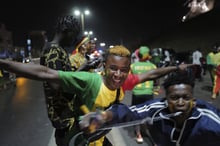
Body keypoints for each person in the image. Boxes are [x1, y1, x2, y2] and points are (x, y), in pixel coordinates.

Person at [0, 45, 192, 146]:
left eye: (123, 70)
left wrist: (177, 67)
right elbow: (45, 73)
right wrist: (5, 64)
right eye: (113, 69)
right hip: (81, 140)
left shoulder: (125, 81)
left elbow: (150, 74)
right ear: (104, 66)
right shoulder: (89, 81)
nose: (118, 75)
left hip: (98, 137)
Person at [80, 68, 220, 146]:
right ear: (166, 99)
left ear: (194, 101)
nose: (180, 103)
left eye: (186, 98)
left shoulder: (211, 120)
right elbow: (126, 112)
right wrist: (102, 116)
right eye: (174, 98)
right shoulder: (156, 109)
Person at [39, 15, 81, 146]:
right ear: (65, 30)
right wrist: (82, 82)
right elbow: (56, 84)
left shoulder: (58, 49)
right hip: (62, 115)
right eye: (73, 35)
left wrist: (83, 69)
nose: (73, 39)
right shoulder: (53, 50)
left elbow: (64, 77)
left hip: (66, 115)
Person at [130, 46, 157, 143]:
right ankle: (151, 135)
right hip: (148, 93)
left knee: (136, 113)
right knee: (149, 114)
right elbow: (156, 80)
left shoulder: (133, 66)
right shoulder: (153, 66)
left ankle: (138, 134)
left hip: (137, 93)